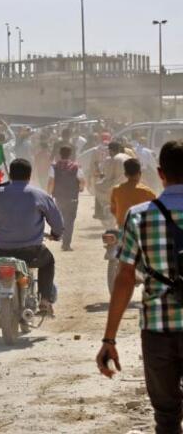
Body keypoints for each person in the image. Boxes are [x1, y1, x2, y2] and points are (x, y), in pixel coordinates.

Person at [96, 141, 183, 434]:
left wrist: (109, 339)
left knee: (167, 416)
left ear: (160, 173)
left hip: (158, 330)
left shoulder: (140, 215)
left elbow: (124, 279)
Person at [0, 159, 64, 317]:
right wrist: (56, 235)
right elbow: (57, 223)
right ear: (29, 175)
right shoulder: (40, 195)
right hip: (32, 253)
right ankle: (45, 301)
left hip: (2, 251)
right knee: (48, 262)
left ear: (10, 174)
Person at [47, 145, 85, 251]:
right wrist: (80, 189)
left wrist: (48, 194)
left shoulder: (54, 166)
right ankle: (66, 244)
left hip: (59, 197)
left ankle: (62, 236)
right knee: (70, 220)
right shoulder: (76, 167)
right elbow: (82, 181)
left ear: (60, 155)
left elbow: (51, 182)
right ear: (71, 154)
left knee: (61, 217)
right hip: (72, 197)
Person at [110, 158, 157, 229]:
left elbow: (113, 210)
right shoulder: (148, 192)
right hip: (141, 229)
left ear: (125, 174)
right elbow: (154, 213)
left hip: (122, 227)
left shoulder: (116, 190)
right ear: (140, 173)